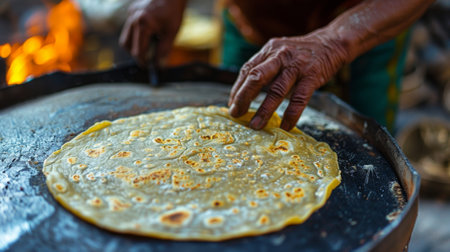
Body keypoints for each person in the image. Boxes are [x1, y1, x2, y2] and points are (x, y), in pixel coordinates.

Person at [119, 0, 435, 132]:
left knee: (366, 173)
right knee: (228, 136)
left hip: (360, 32)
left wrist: (335, 42)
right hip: (250, 21)